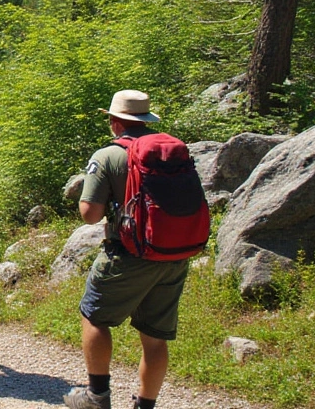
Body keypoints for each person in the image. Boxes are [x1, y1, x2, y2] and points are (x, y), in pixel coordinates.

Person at [64, 91, 195, 409]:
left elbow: (90, 214)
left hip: (128, 253)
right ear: (146, 120)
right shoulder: (170, 151)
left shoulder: (108, 155)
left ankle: (97, 396)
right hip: (174, 255)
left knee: (93, 316)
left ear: (114, 121)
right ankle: (145, 405)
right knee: (155, 336)